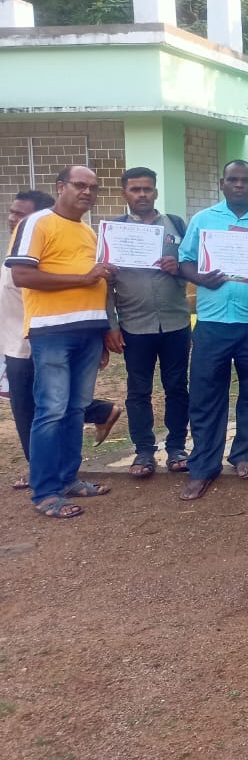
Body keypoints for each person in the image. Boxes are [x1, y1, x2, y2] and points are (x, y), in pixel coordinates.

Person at [6, 165, 115, 519]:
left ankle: (69, 479)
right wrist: (83, 279)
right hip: (52, 332)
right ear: (60, 187)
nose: (87, 192)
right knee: (51, 410)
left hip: (88, 332)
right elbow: (22, 275)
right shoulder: (36, 223)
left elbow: (98, 282)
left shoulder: (88, 231)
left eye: (93, 188)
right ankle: (45, 491)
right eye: (80, 185)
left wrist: (102, 331)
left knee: (75, 409)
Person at [177, 160, 248, 501]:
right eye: (233, 180)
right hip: (213, 323)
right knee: (206, 395)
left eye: (245, 180)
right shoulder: (203, 219)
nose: (239, 185)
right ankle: (203, 467)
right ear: (222, 183)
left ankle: (245, 454)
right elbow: (184, 260)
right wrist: (199, 277)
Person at [103, 166, 191, 479]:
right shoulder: (113, 232)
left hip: (175, 323)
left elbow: (192, 267)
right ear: (124, 193)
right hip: (134, 325)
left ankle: (177, 447)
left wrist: (178, 268)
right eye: (135, 189)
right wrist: (111, 325)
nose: (142, 194)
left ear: (156, 191)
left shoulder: (176, 225)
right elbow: (105, 286)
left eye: (147, 189)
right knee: (138, 390)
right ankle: (143, 450)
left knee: (177, 387)